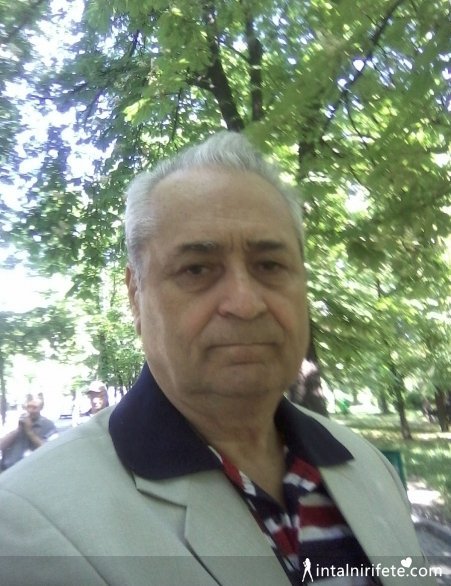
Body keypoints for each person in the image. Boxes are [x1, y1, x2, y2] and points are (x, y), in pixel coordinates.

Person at [0, 133, 435, 585]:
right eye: (196, 269)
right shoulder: (29, 524)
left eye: (269, 265)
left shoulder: (369, 468)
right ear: (135, 295)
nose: (245, 304)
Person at [0, 394, 57, 471]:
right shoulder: (13, 421)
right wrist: (18, 430)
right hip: (8, 470)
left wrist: (29, 432)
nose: (30, 410)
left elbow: (50, 450)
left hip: (31, 471)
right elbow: (1, 445)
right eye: (28, 407)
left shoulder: (48, 425)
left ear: (41, 408)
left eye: (34, 407)